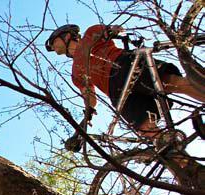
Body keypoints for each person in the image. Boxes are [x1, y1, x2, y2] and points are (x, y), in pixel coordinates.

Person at [45, 24, 205, 150]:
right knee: (148, 131)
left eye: (54, 41)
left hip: (124, 65)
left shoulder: (90, 35)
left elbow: (114, 30)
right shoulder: (75, 73)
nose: (53, 46)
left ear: (66, 36)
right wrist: (84, 122)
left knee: (172, 82)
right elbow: (90, 99)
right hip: (117, 93)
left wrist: (114, 32)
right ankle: (188, 172)